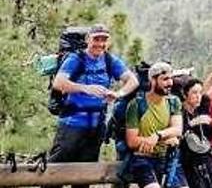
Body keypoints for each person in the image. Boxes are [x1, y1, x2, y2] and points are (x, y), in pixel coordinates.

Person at [48, 24, 139, 188]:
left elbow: (133, 81)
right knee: (55, 172)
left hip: (96, 127)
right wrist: (85, 88)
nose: (100, 44)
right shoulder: (76, 59)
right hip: (71, 124)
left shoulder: (110, 61)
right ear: (88, 39)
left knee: (85, 174)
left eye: (104, 40)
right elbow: (59, 83)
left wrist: (118, 94)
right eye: (96, 39)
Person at [124, 62, 183, 188]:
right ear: (153, 80)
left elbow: (177, 129)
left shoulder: (173, 102)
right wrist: (166, 138)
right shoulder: (136, 105)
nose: (170, 83)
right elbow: (132, 141)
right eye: (165, 79)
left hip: (167, 158)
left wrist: (157, 136)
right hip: (142, 160)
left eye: (171, 78)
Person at [179, 78, 212, 188]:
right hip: (187, 159)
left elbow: (208, 137)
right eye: (194, 92)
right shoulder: (179, 111)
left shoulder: (199, 111)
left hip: (203, 155)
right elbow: (179, 135)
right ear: (184, 94)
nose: (198, 96)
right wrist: (193, 123)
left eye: (200, 93)